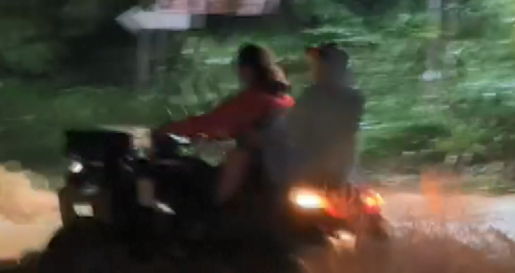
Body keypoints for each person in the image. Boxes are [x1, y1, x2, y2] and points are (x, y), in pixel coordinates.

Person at [156, 43, 295, 206]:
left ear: (247, 70)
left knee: (187, 177)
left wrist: (166, 130)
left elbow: (210, 123)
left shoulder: (253, 100)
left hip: (254, 173)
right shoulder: (285, 100)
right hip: (279, 170)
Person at [287, 43, 365, 187]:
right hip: (341, 169)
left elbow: (293, 129)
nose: (314, 69)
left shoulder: (311, 97)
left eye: (319, 64)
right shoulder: (354, 97)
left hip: (317, 170)